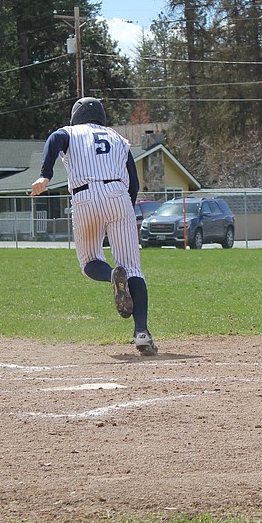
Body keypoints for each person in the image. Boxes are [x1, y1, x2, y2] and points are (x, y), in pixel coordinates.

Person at [30, 97, 158, 356]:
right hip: (118, 195)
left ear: (76, 116)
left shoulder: (71, 132)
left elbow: (55, 139)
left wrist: (45, 175)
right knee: (133, 268)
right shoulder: (118, 139)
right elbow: (133, 183)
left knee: (89, 262)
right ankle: (141, 333)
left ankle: (111, 275)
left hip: (84, 196)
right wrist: (124, 209)